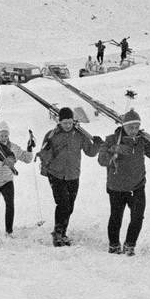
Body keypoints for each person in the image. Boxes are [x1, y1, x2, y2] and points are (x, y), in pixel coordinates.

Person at [97, 109, 150, 257]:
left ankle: (130, 245)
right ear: (123, 126)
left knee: (137, 217)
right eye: (131, 127)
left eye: (137, 127)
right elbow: (102, 160)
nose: (134, 130)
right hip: (117, 187)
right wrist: (114, 150)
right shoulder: (112, 139)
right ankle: (114, 245)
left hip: (137, 186)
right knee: (116, 217)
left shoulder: (141, 141)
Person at [36, 106, 100, 247]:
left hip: (73, 174)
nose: (67, 125)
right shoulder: (52, 135)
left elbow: (90, 152)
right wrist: (45, 155)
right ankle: (58, 234)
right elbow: (43, 152)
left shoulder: (79, 135)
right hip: (56, 174)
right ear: (59, 122)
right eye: (64, 123)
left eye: (70, 122)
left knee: (69, 206)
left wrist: (97, 145)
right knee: (63, 203)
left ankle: (62, 232)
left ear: (73, 122)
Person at [0, 121, 33, 238]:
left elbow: (26, 158)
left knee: (10, 205)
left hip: (7, 181)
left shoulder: (13, 148)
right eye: (1, 135)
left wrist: (30, 148)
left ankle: (9, 231)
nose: (3, 138)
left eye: (6, 135)